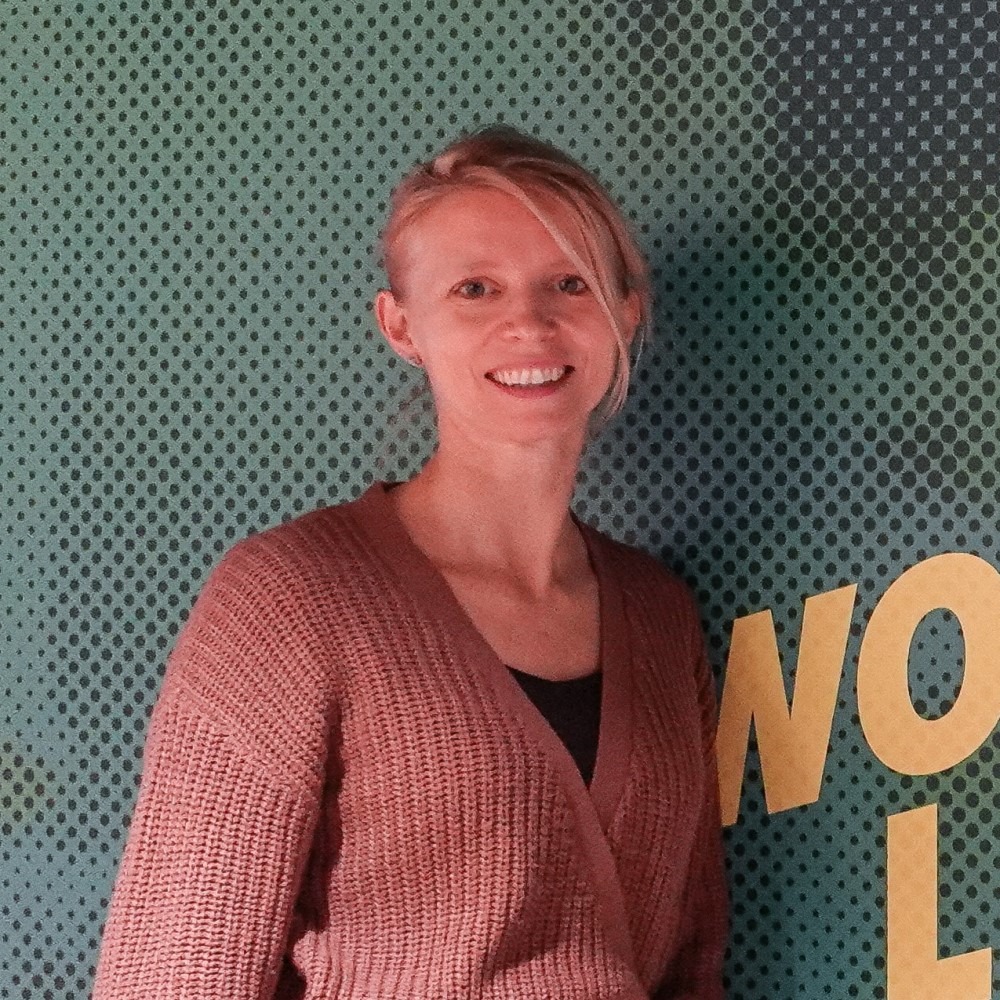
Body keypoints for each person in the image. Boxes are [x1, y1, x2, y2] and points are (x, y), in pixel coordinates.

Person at [93, 126, 728, 999]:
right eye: (476, 288)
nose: (529, 322)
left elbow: (692, 960)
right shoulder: (292, 595)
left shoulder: (659, 615)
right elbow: (178, 964)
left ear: (625, 311)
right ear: (402, 326)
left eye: (568, 283)